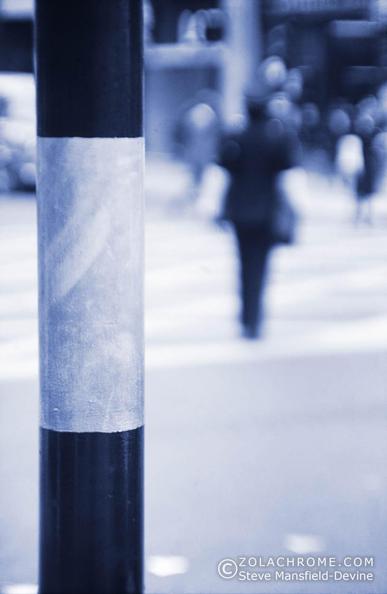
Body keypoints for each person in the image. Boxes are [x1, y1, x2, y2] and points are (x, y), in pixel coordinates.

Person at [219, 91, 299, 339]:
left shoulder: (236, 136)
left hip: (240, 211)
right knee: (261, 265)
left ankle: (246, 317)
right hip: (267, 211)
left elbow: (224, 170)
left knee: (243, 264)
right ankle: (255, 319)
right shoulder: (277, 137)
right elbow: (288, 173)